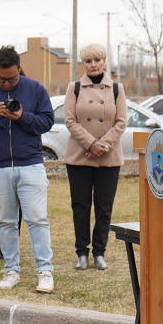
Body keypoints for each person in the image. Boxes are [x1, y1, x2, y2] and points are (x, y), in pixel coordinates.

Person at [0, 46, 55, 293]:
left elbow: (47, 122)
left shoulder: (35, 89)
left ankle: (45, 271)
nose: (7, 84)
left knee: (37, 219)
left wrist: (22, 117)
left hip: (31, 164)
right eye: (2, 79)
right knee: (5, 221)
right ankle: (11, 270)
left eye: (13, 79)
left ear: (19, 70)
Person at [63, 44, 127, 272]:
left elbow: (121, 122)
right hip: (80, 156)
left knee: (104, 207)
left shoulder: (117, 89)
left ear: (104, 61)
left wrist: (103, 145)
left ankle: (100, 252)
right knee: (80, 206)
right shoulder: (75, 88)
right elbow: (70, 121)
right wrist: (91, 143)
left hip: (108, 158)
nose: (93, 65)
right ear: (83, 64)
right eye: (88, 61)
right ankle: (82, 252)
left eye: (97, 60)